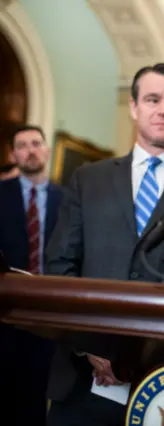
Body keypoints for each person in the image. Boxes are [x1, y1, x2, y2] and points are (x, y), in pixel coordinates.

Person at [44, 63, 164, 426]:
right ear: (135, 106)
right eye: (153, 99)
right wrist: (91, 346)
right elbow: (61, 267)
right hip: (82, 378)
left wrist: (150, 354)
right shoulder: (88, 179)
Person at [0, 124, 63, 426]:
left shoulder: (67, 199)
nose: (31, 150)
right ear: (13, 154)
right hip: (6, 314)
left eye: (36, 143)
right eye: (22, 146)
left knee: (39, 399)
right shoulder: (1, 194)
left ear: (47, 150)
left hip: (51, 316)